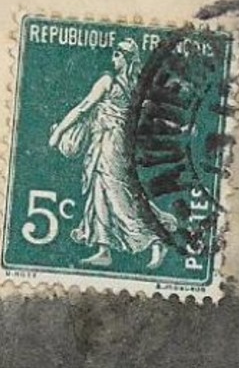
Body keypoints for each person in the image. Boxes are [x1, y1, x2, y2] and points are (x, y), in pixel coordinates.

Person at [48, 38, 170, 270]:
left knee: (120, 197)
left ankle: (156, 240)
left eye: (117, 54)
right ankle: (103, 250)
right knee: (100, 191)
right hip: (107, 143)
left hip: (113, 146)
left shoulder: (110, 81)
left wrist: (58, 133)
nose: (113, 58)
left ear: (126, 58)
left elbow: (84, 107)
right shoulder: (135, 85)